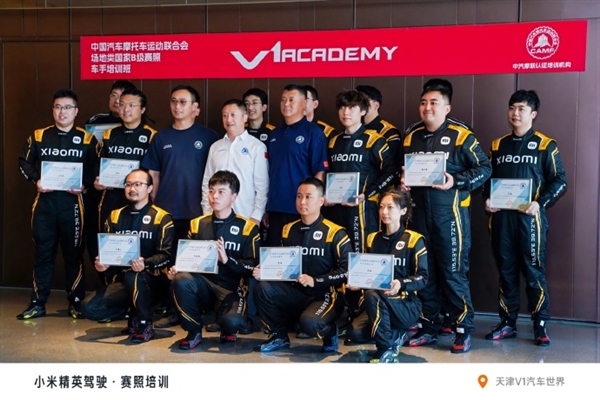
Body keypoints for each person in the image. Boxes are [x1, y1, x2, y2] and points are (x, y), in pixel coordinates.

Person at [402, 78, 491, 353]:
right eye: (423, 102)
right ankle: (428, 326)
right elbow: (401, 171)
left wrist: (456, 181)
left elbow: (485, 168)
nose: (427, 107)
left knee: (453, 274)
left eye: (434, 103)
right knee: (424, 273)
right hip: (419, 216)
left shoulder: (461, 135)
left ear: (447, 108)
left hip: (450, 217)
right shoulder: (411, 136)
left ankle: (462, 329)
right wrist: (402, 182)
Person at [483, 90, 567, 346]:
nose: (515, 113)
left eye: (521, 108)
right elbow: (487, 178)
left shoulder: (545, 145)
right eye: (512, 108)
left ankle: (539, 324)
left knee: (533, 272)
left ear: (533, 114)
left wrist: (539, 203)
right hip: (501, 221)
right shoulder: (497, 145)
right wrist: (488, 198)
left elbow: (560, 181)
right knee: (506, 271)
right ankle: (507, 322)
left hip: (530, 221)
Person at [17, 89, 99, 320]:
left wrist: (84, 186)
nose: (62, 112)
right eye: (58, 107)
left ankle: (75, 302)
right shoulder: (39, 136)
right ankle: (37, 302)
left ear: (76, 111)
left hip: (73, 205)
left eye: (67, 107)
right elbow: (24, 162)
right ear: (53, 109)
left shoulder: (87, 139)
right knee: (43, 254)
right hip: (45, 204)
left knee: (74, 255)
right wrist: (36, 179)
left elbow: (96, 170)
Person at [141, 85, 219, 328]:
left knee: (197, 264)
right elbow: (153, 174)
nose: (177, 106)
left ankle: (201, 311)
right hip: (168, 212)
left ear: (196, 108)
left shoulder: (209, 137)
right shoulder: (161, 137)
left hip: (198, 213)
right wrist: (156, 205)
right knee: (169, 263)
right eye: (174, 101)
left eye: (183, 102)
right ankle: (173, 310)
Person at [253, 177, 352, 353]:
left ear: (321, 201)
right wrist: (266, 271)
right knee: (263, 288)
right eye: (299, 196)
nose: (302, 202)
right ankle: (279, 337)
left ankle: (330, 332)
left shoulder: (336, 232)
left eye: (308, 197)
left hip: (325, 296)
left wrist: (316, 280)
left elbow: (347, 271)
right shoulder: (288, 229)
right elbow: (282, 265)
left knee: (311, 324)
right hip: (296, 293)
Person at [168, 171, 260, 350]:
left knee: (232, 322)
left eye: (221, 192)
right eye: (211, 191)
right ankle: (194, 332)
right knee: (181, 280)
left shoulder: (247, 228)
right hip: (203, 285)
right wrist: (177, 269)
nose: (214, 196)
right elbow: (186, 260)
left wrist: (227, 260)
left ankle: (229, 326)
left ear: (234, 196)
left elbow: (252, 268)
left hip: (232, 289)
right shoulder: (197, 224)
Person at [81, 169, 174, 343]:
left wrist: (145, 263)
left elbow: (166, 255)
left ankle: (145, 325)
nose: (132, 189)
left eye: (138, 184)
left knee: (135, 274)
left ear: (150, 188)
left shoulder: (162, 217)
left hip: (153, 283)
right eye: (128, 185)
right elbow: (107, 251)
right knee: (89, 308)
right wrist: (102, 264)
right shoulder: (115, 216)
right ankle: (133, 315)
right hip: (123, 282)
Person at [201, 99, 269, 333]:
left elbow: (262, 186)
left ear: (245, 118)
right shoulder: (216, 147)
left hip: (245, 219)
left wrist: (256, 217)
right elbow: (207, 182)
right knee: (218, 267)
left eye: (233, 115)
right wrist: (207, 214)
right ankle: (220, 313)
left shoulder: (256, 146)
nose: (228, 119)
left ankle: (247, 316)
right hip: (217, 217)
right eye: (225, 115)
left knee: (247, 267)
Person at [346, 189, 428, 363]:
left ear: (403, 211)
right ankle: (395, 334)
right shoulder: (372, 239)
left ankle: (386, 349)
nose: (384, 212)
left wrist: (401, 283)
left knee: (372, 294)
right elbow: (367, 272)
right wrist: (358, 282)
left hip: (405, 304)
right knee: (355, 333)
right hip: (377, 302)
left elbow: (423, 277)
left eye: (390, 207)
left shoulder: (414, 240)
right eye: (381, 207)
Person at [263, 84, 329, 247]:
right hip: (275, 207)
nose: (286, 104)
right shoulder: (274, 133)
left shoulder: (313, 132)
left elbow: (319, 172)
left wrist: (313, 205)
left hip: (300, 208)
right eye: (283, 100)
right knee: (275, 255)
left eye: (291, 100)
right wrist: (267, 207)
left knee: (299, 255)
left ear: (304, 103)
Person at [95, 88, 157, 245]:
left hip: (139, 199)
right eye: (122, 105)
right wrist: (97, 181)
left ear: (142, 109)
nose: (125, 109)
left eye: (131, 105)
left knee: (139, 244)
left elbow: (155, 172)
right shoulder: (109, 134)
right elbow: (99, 164)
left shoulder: (152, 136)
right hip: (111, 196)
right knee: (108, 242)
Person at [356, 85, 402, 180]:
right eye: (357, 102)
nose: (360, 105)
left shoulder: (389, 132)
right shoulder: (353, 129)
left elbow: (391, 169)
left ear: (376, 105)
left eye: (364, 101)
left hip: (380, 185)